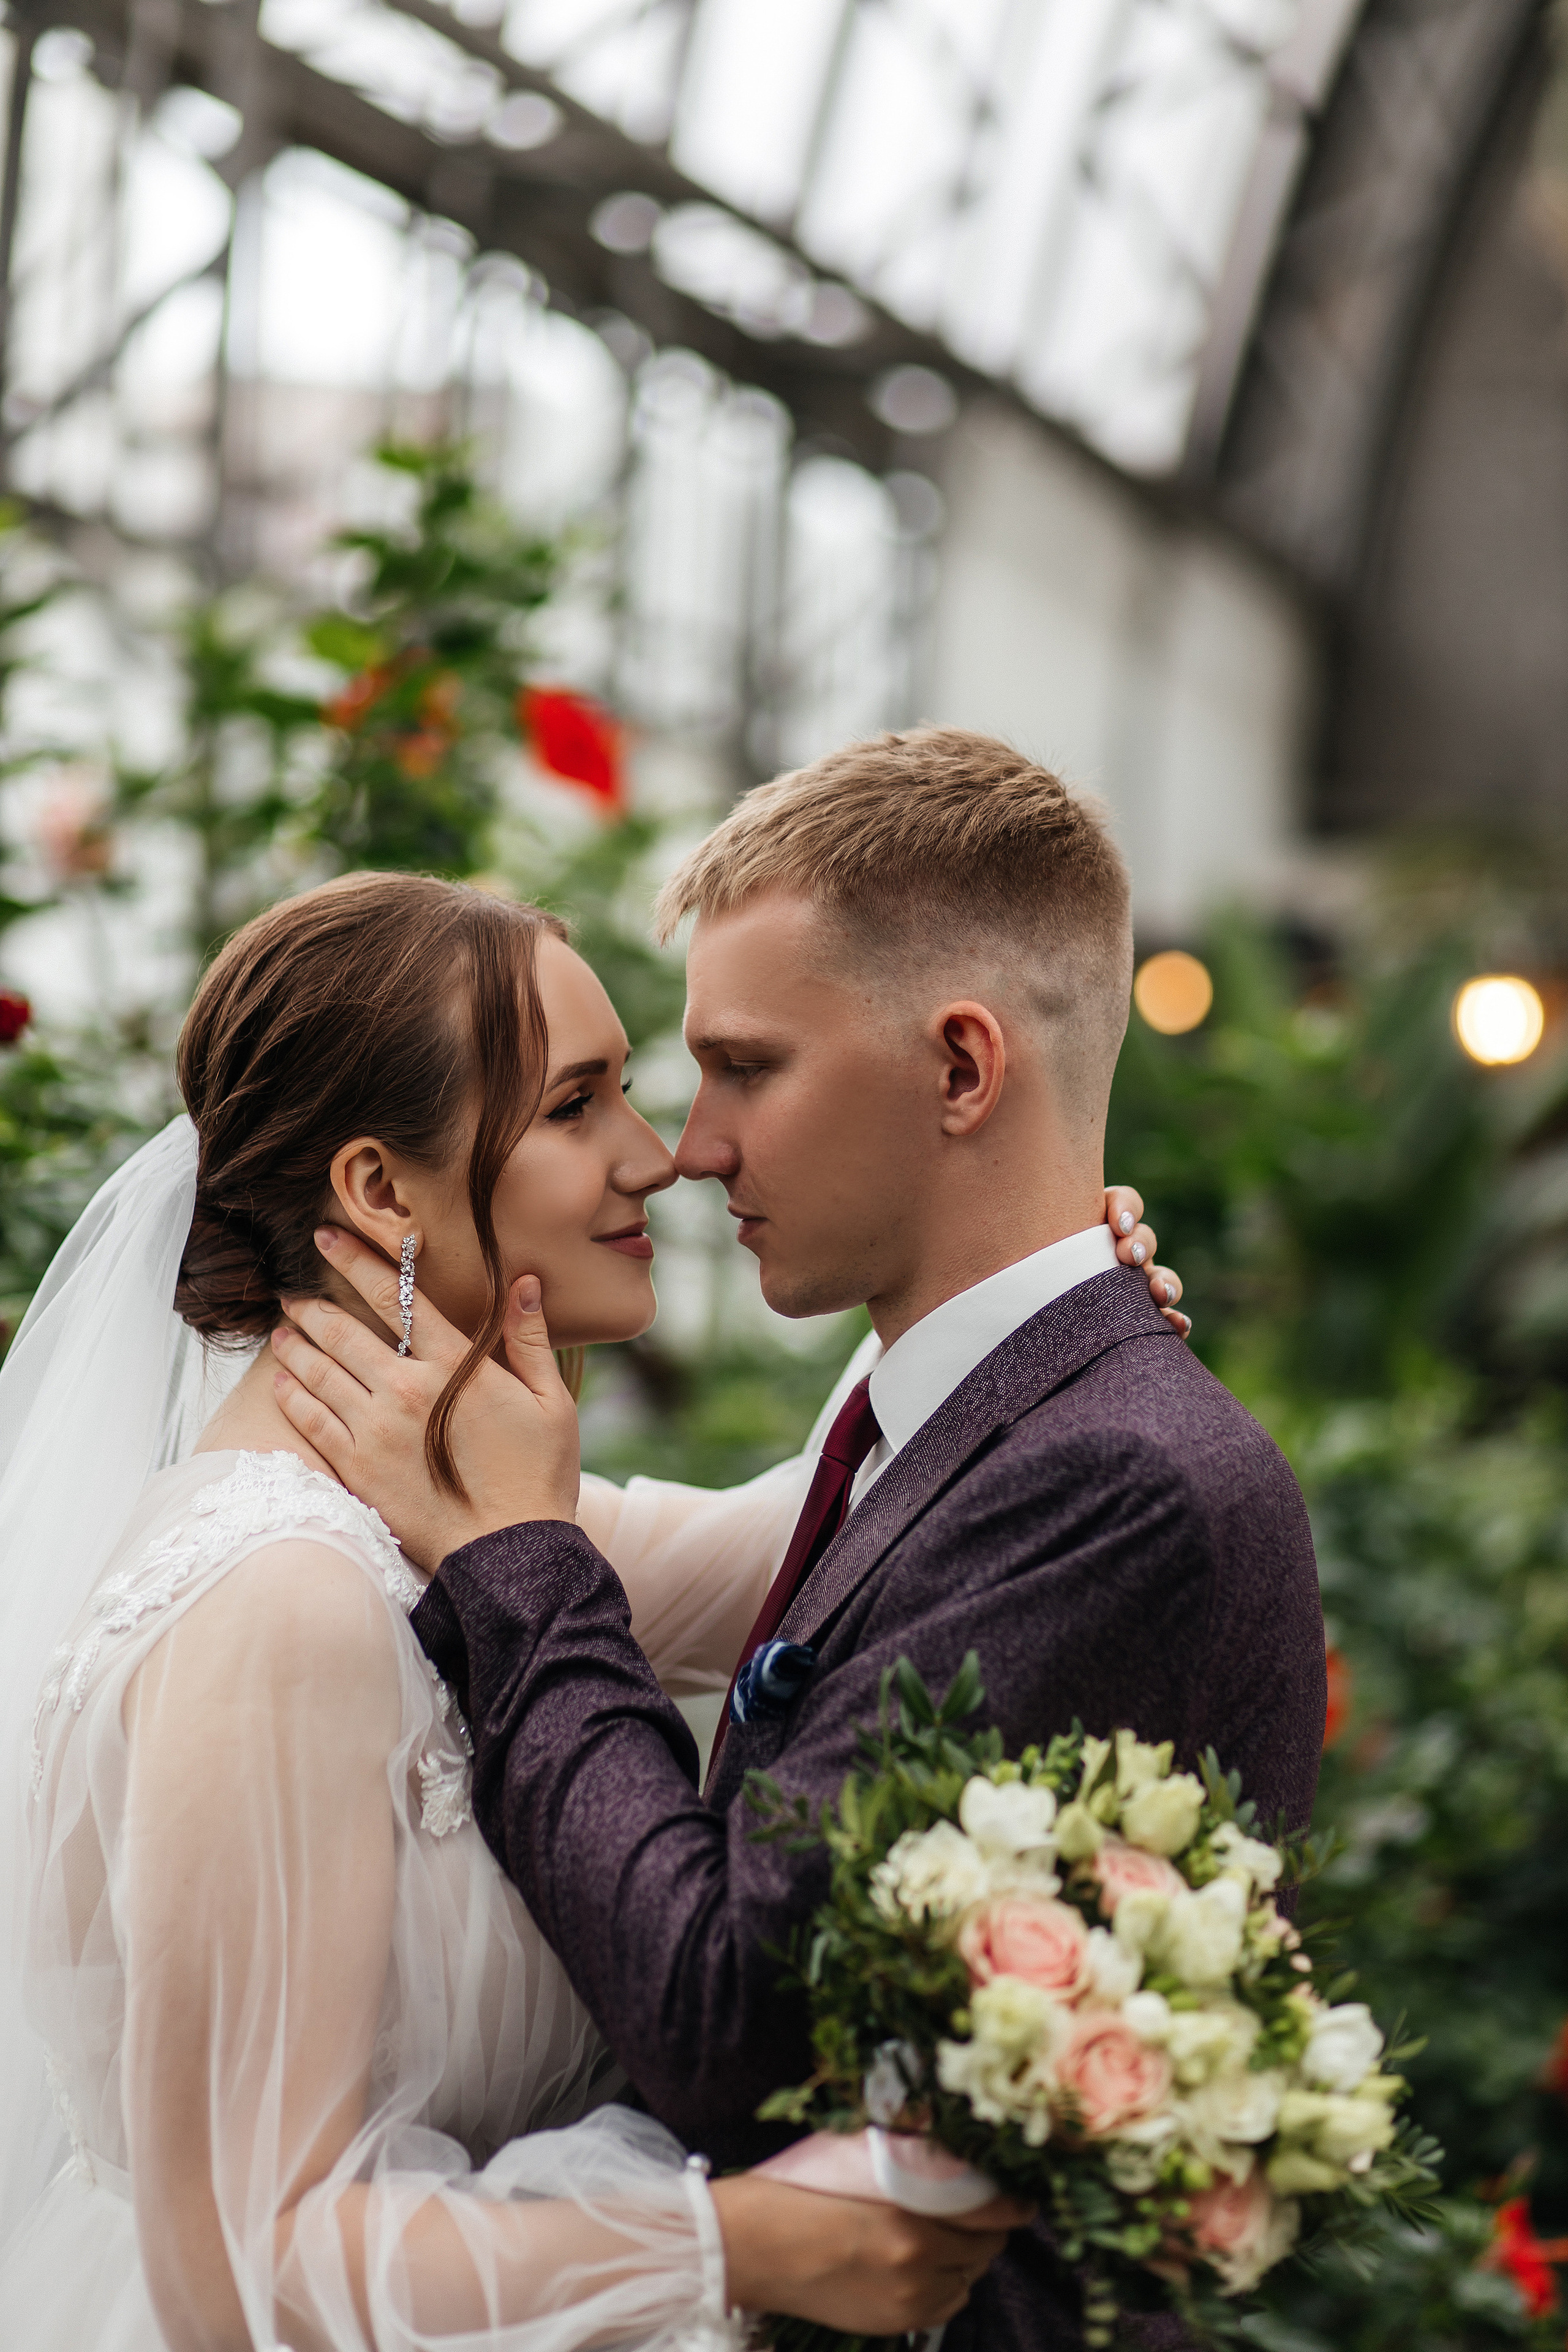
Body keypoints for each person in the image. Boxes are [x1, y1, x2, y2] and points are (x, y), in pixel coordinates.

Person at [273, 729, 1328, 2352]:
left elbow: (724, 2020)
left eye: (747, 1068)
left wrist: (523, 1563)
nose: (690, 1146)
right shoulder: (971, 1418)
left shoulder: (1113, 1480)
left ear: (962, 1069)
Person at [0, 870, 1057, 2352]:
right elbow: (238, 2268)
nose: (657, 1158)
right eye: (576, 1107)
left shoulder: (450, 1512)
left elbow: (821, 1540)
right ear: (381, 1193)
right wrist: (740, 2242)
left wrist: (1029, 1279)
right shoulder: (275, 1606)